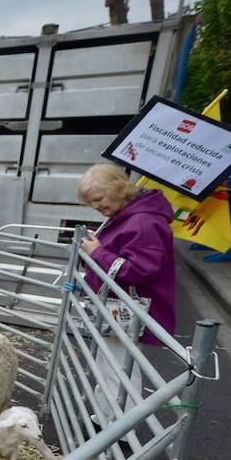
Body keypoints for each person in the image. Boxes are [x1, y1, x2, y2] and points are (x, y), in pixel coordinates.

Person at [77, 163, 176, 416]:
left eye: (99, 199)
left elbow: (141, 271)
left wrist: (97, 252)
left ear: (119, 188)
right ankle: (105, 417)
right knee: (109, 364)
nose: (97, 206)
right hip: (115, 308)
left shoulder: (143, 222)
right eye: (92, 203)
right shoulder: (129, 216)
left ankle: (119, 430)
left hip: (125, 309)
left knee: (119, 368)